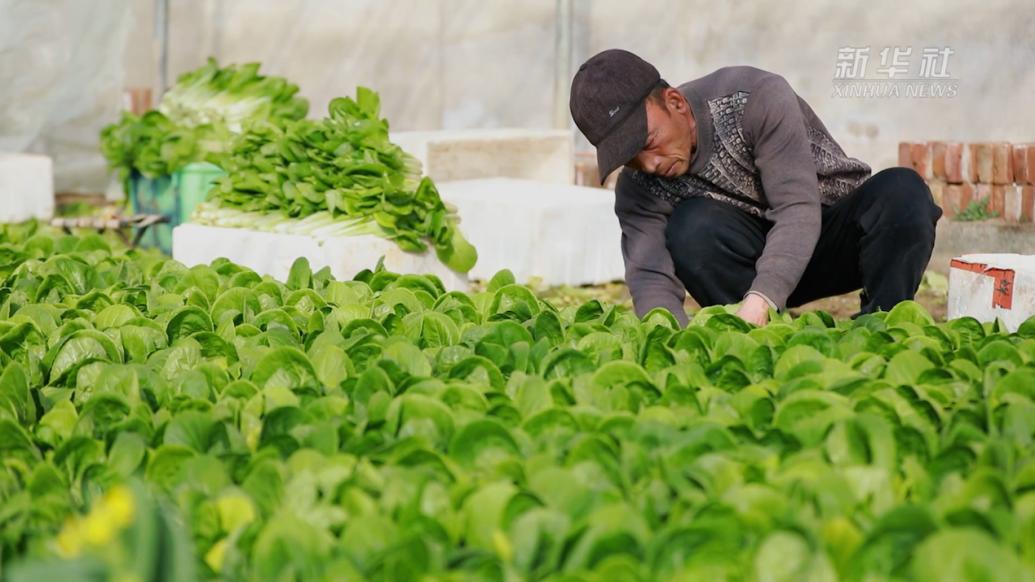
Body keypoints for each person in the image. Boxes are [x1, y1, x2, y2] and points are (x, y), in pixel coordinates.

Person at [569, 49, 942, 327]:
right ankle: (758, 335)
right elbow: (649, 275)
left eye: (648, 140)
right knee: (691, 227)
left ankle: (882, 326)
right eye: (630, 156)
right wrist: (668, 342)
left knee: (902, 192)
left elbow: (797, 208)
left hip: (827, 236)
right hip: (748, 264)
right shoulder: (639, 186)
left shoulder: (754, 99)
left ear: (675, 103)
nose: (648, 164)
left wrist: (763, 298)